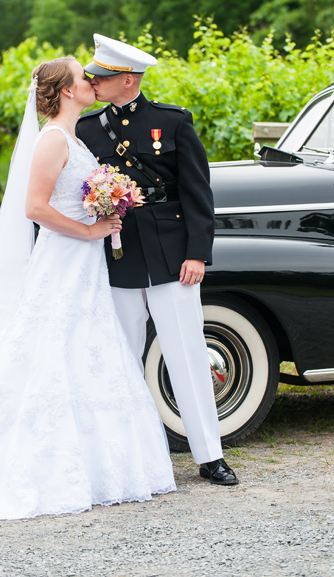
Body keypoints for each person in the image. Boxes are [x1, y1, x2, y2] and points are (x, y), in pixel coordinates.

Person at [0, 57, 176, 520]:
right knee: (49, 345)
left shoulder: (71, 136)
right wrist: (90, 230)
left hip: (84, 262)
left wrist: (107, 208)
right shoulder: (51, 140)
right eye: (81, 76)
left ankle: (99, 463)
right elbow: (34, 207)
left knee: (84, 346)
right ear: (67, 91)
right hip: (64, 258)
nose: (90, 80)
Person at [75, 34, 236, 485]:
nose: (94, 82)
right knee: (123, 357)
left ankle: (209, 456)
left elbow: (198, 192)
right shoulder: (87, 130)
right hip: (118, 258)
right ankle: (131, 456)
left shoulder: (173, 122)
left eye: (102, 77)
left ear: (128, 79)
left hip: (172, 260)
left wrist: (198, 254)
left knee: (186, 354)